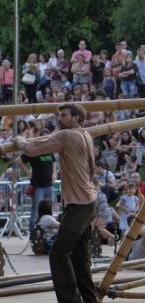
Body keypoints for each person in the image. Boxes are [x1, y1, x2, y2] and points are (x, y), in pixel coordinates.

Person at [13, 104, 97, 303]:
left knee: (58, 254)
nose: (60, 118)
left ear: (76, 117)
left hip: (79, 204)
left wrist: (19, 140)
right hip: (87, 200)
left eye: (64, 115)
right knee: (79, 256)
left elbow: (32, 148)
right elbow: (92, 168)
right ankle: (89, 299)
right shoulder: (85, 134)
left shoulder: (67, 136)